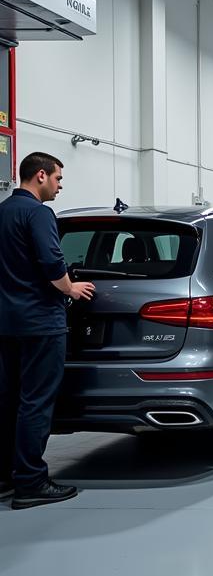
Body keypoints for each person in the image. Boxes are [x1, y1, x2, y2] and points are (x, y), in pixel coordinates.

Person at [0, 153, 95, 509]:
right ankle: (31, 483)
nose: (59, 185)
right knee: (35, 403)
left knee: (7, 401)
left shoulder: (3, 211)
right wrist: (70, 288)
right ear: (40, 175)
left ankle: (5, 477)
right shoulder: (39, 214)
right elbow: (51, 261)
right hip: (40, 323)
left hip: (6, 323)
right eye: (57, 178)